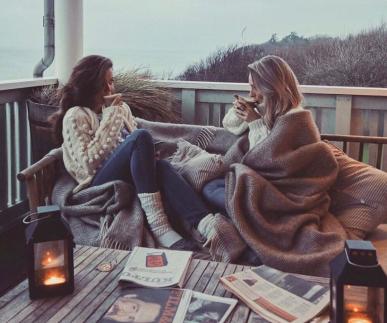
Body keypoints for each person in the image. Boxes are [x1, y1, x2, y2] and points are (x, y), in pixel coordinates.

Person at [50, 54, 210, 250]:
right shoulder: (76, 115)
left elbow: (129, 143)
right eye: (103, 84)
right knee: (141, 136)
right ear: (89, 86)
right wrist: (112, 115)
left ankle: (207, 226)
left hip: (125, 174)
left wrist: (147, 157)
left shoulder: (120, 108)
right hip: (97, 183)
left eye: (111, 82)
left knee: (161, 166)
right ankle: (160, 227)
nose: (110, 89)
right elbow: (87, 165)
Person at [160, 55, 304, 263]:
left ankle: (233, 235)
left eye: (256, 87)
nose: (252, 93)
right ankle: (219, 227)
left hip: (271, 187)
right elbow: (230, 125)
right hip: (248, 177)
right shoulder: (266, 109)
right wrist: (241, 111)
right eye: (250, 87)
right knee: (200, 184)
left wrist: (255, 123)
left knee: (208, 189)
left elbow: (265, 159)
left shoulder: (293, 118)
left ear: (273, 87)